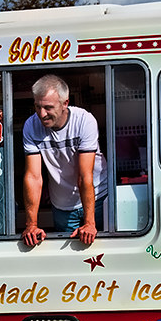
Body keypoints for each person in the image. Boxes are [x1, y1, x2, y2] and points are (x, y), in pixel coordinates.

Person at [21, 74, 108, 247]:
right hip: (62, 205)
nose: (41, 114)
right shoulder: (31, 125)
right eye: (37, 107)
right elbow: (33, 177)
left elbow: (85, 175)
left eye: (48, 107)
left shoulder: (84, 120)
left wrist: (90, 224)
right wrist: (31, 225)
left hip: (97, 198)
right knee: (69, 262)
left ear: (65, 103)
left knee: (100, 254)